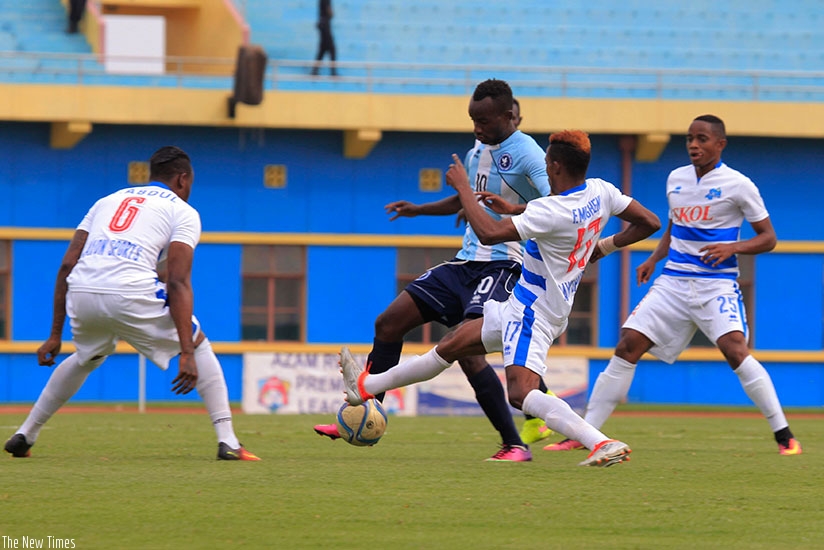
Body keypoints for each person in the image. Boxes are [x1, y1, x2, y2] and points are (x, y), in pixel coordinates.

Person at [338, 129, 661, 467]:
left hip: (532, 312)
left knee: (521, 394)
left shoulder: (549, 211)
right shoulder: (601, 190)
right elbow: (648, 222)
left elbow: (489, 233)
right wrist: (602, 247)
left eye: (548, 164)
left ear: (555, 167)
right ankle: (364, 387)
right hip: (518, 305)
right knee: (450, 346)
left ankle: (601, 442)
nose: (546, 169)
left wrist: (464, 188)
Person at [315, 79, 553, 461]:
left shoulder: (527, 153)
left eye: (485, 121)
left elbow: (556, 206)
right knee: (389, 323)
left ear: (509, 116)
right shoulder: (480, 149)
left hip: (505, 263)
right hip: (465, 263)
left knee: (467, 349)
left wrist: (510, 212)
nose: (477, 128)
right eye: (473, 119)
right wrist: (421, 209)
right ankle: (366, 411)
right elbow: (466, 196)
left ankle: (515, 444)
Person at [545, 115, 802, 456]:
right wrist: (654, 258)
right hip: (674, 282)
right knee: (627, 345)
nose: (694, 144)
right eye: (690, 138)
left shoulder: (739, 185)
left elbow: (768, 238)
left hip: (716, 285)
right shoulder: (676, 178)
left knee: (736, 351)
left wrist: (732, 247)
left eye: (702, 139)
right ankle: (585, 433)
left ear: (720, 144)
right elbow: (673, 226)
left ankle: (784, 436)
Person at [4, 146, 259, 461]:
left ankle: (26, 433)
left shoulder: (106, 201)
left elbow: (67, 265)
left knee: (87, 357)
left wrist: (55, 334)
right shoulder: (183, 211)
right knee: (199, 343)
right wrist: (187, 352)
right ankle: (228, 441)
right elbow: (178, 281)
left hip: (82, 289)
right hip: (129, 291)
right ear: (182, 179)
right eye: (190, 183)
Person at [311, 0, 337, 76]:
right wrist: (332, 14)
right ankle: (333, 71)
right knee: (331, 48)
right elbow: (330, 12)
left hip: (323, 24)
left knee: (323, 49)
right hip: (325, 26)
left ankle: (315, 70)